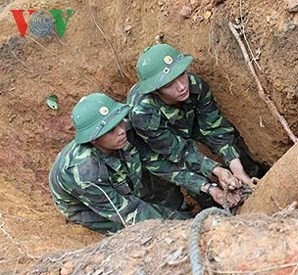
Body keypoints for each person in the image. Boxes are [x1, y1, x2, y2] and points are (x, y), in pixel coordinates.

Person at [127, 44, 263, 207]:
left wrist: (237, 169)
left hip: (187, 121)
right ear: (156, 90)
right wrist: (216, 173)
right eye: (169, 84)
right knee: (192, 179)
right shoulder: (143, 114)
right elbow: (178, 153)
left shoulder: (194, 85)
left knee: (236, 153)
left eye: (181, 74)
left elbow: (214, 127)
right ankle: (214, 207)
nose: (181, 86)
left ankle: (250, 179)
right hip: (157, 147)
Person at [48, 92, 199, 234]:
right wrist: (179, 226)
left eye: (119, 122)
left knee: (155, 179)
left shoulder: (122, 133)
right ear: (93, 139)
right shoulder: (84, 174)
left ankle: (179, 210)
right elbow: (126, 211)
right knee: (134, 229)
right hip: (87, 206)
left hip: (116, 174)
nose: (121, 131)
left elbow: (156, 162)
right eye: (110, 130)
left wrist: (203, 186)